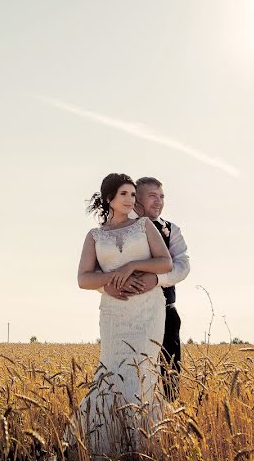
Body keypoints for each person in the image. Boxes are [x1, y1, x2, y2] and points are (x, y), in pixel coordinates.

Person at [70, 172, 172, 457]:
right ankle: (103, 443)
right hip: (114, 312)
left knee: (142, 369)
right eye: (124, 194)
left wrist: (134, 265)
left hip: (148, 310)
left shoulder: (143, 226)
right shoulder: (95, 236)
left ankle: (144, 444)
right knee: (112, 371)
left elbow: (165, 262)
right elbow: (83, 279)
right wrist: (110, 280)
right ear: (109, 199)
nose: (131, 199)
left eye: (132, 194)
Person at [103, 176, 190, 400]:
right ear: (136, 199)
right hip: (127, 313)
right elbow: (104, 266)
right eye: (152, 196)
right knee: (128, 369)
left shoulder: (171, 229)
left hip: (166, 311)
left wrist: (157, 279)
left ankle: (168, 419)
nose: (159, 202)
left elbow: (182, 265)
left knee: (169, 371)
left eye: (162, 197)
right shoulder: (117, 229)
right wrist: (106, 289)